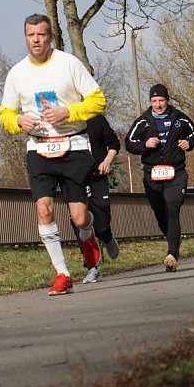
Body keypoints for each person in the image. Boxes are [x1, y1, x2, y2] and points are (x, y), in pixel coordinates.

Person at [0, 13, 107, 296]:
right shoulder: (17, 73)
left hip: (73, 145)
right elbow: (5, 114)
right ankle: (63, 274)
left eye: (42, 35)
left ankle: (89, 237)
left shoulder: (68, 64)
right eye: (31, 35)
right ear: (25, 38)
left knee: (80, 218)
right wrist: (18, 121)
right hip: (39, 147)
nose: (36, 40)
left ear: (50, 37)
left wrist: (68, 111)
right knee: (43, 208)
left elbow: (98, 100)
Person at [125, 83, 194, 272]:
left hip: (176, 173)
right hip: (152, 175)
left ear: (167, 100)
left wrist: (188, 142)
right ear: (150, 102)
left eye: (161, 100)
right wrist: (145, 144)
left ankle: (172, 254)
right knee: (160, 213)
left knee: (172, 209)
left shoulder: (180, 119)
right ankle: (173, 239)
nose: (158, 104)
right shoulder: (143, 121)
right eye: (154, 101)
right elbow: (129, 143)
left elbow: (193, 133)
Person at [75, 114, 121, 284]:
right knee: (79, 222)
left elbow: (114, 144)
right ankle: (92, 268)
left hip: (98, 177)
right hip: (75, 180)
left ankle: (107, 237)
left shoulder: (96, 120)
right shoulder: (63, 124)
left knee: (101, 224)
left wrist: (107, 160)